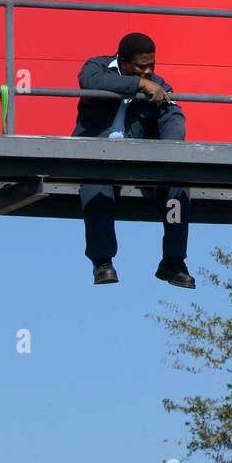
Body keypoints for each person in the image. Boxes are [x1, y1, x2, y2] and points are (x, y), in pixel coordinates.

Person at [71, 31, 194, 289]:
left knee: (178, 188)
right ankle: (102, 261)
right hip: (97, 157)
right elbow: (89, 81)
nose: (148, 72)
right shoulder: (97, 67)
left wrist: (172, 151)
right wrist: (138, 85)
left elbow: (173, 116)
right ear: (123, 61)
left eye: (152, 65)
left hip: (138, 162)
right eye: (141, 66)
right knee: (96, 186)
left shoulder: (158, 85)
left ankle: (173, 261)